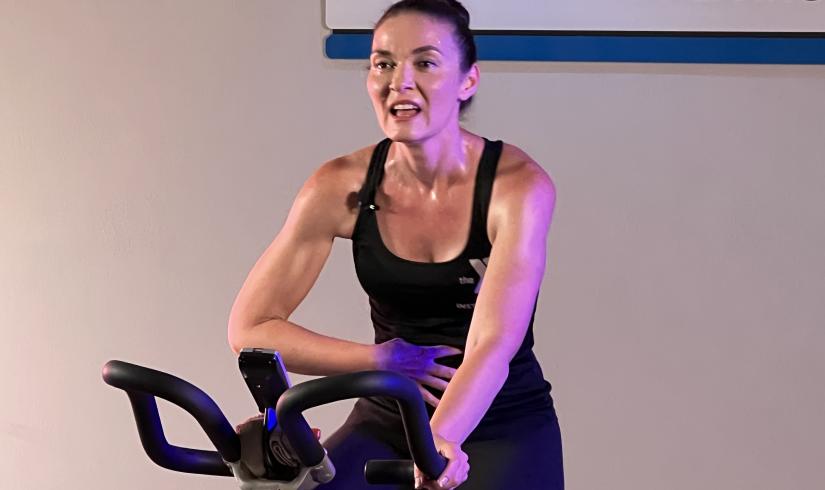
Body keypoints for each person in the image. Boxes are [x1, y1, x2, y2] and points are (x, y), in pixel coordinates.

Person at [227, 1, 562, 488]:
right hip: (386, 419)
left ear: (468, 80)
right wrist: (381, 359)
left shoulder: (517, 187)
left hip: (502, 423)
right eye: (383, 63)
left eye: (424, 63)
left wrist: (440, 440)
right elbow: (250, 329)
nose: (398, 82)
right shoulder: (338, 186)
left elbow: (492, 343)